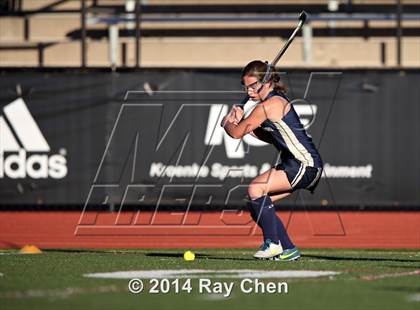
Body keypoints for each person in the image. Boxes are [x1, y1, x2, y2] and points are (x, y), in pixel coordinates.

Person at [221, 60, 323, 261]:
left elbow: (236, 133)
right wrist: (240, 121)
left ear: (267, 82)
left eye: (253, 86)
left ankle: (272, 243)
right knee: (255, 202)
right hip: (294, 163)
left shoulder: (270, 105)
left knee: (255, 189)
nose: (249, 91)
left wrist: (228, 123)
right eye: (246, 86)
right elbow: (268, 135)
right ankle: (288, 249)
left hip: (304, 164)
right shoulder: (270, 103)